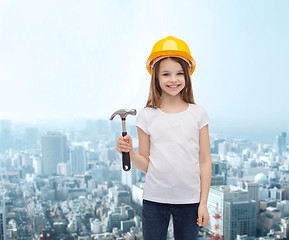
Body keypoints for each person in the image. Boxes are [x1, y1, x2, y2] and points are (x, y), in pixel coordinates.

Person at [116, 36, 212, 240]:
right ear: (156, 78)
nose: (173, 79)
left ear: (187, 76)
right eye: (166, 74)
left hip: (190, 201)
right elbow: (146, 165)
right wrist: (130, 152)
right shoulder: (146, 115)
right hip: (154, 199)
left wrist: (203, 203)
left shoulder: (198, 114)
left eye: (179, 73)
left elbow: (205, 161)